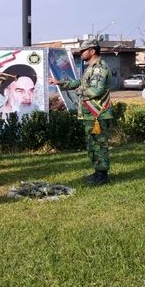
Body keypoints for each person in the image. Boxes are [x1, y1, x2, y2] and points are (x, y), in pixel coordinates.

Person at [49, 39, 113, 186]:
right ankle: (98, 172)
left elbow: (95, 90)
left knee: (99, 145)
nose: (81, 53)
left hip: (98, 114)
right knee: (92, 144)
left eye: (83, 51)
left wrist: (78, 92)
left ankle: (103, 175)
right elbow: (81, 83)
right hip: (91, 114)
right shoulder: (91, 68)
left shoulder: (99, 68)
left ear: (92, 51)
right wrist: (60, 82)